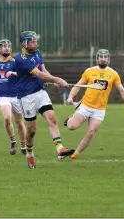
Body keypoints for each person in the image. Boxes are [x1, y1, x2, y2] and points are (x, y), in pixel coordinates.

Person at [64, 49, 124, 160]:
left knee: (90, 132)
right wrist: (70, 97)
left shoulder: (113, 74)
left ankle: (76, 154)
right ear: (97, 58)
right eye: (101, 57)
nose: (103, 59)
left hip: (99, 110)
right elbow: (78, 85)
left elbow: (122, 91)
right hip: (85, 106)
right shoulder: (89, 71)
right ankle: (71, 118)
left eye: (105, 57)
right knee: (71, 126)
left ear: (108, 59)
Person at [14, 31, 75, 169]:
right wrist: (57, 79)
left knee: (52, 119)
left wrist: (55, 81)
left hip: (40, 92)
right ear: (24, 43)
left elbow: (44, 70)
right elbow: (39, 74)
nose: (35, 43)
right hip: (26, 96)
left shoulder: (37, 53)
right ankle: (29, 154)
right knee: (32, 131)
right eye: (32, 41)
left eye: (35, 41)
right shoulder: (21, 58)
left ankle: (60, 149)